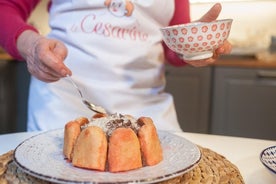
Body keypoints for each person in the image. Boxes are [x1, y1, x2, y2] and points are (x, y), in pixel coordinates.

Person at [0, 0, 231, 132]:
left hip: (146, 110)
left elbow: (170, 48)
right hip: (64, 106)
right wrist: (30, 44)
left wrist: (190, 44)